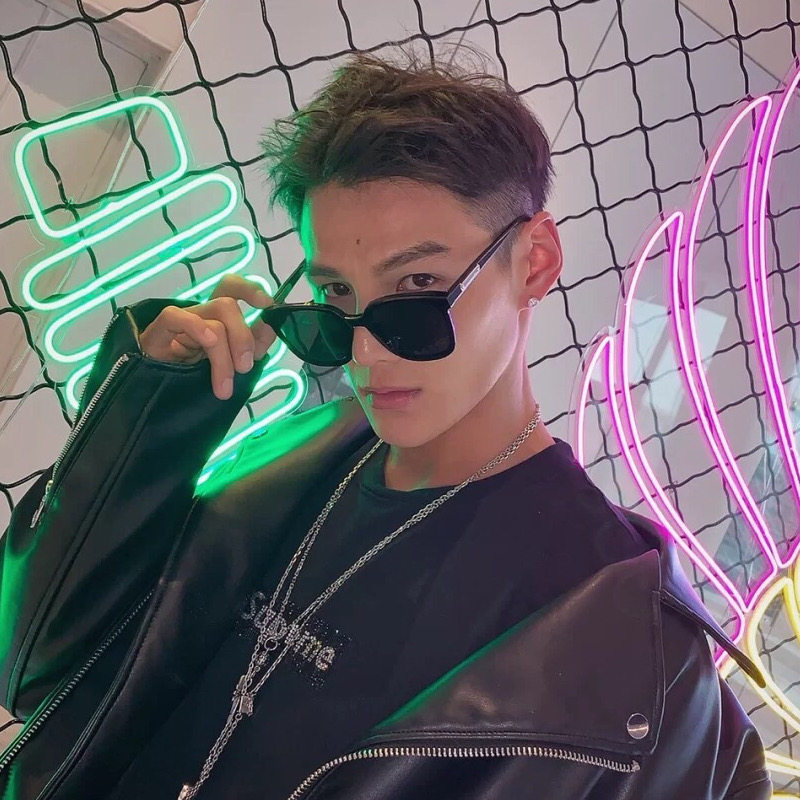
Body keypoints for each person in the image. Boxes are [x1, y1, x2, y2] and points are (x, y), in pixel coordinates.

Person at [0, 46, 772, 800]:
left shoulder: (626, 636)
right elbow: (33, 669)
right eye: (336, 299)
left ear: (534, 262)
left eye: (417, 288)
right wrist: (149, 421)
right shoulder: (284, 462)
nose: (366, 352)